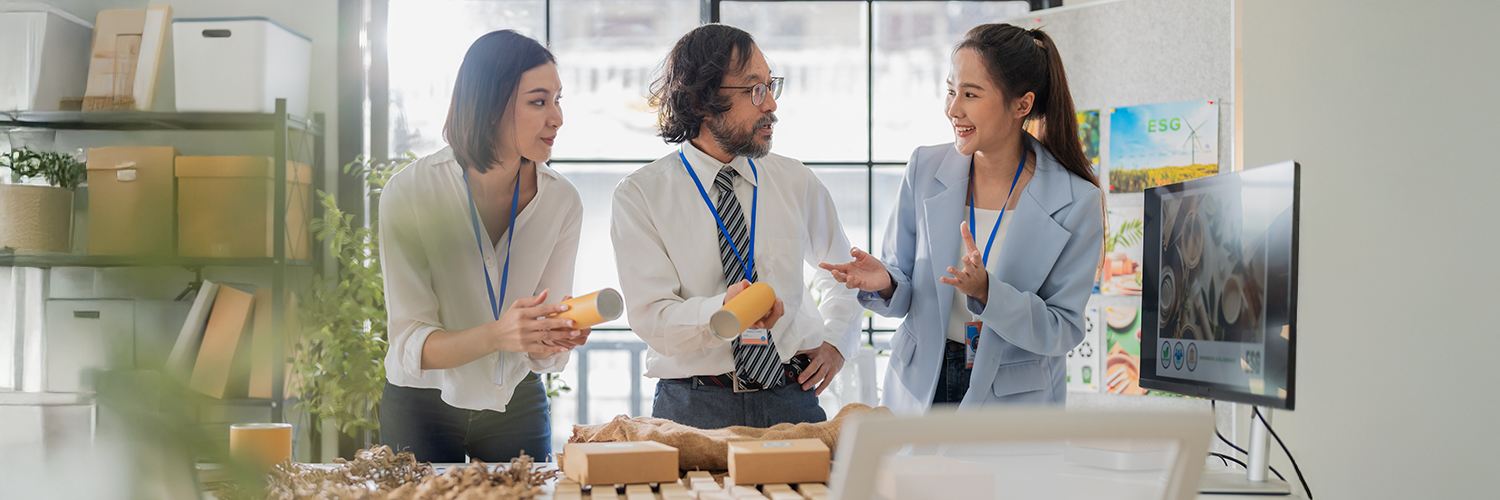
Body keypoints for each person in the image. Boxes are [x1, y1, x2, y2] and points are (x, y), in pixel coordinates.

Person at [820, 24, 1104, 414]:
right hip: (921, 386)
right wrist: (885, 283)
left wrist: (989, 292)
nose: (954, 109)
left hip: (1013, 404)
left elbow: (1062, 329)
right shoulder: (924, 167)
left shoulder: (1077, 201)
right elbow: (905, 286)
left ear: (1022, 105)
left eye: (970, 94)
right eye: (951, 91)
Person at [610, 24, 863, 429]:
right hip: (693, 408)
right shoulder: (640, 196)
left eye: (771, 85)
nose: (772, 105)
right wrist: (722, 314)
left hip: (792, 399)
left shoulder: (795, 180)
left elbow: (846, 275)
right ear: (701, 102)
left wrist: (837, 342)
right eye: (755, 90)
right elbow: (652, 318)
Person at [378, 30, 589, 462]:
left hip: (517, 401)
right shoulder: (411, 192)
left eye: (558, 99)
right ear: (491, 105)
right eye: (538, 101)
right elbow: (411, 344)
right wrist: (500, 334)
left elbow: (537, 346)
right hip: (421, 405)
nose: (557, 117)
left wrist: (549, 339)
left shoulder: (562, 201)